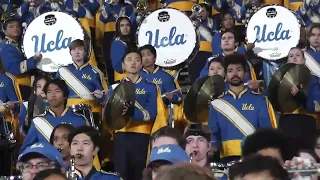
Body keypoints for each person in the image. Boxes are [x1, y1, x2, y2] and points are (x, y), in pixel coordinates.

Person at [107, 49, 166, 180]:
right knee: (121, 174)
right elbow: (108, 114)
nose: (133, 63)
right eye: (129, 60)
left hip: (142, 137)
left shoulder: (151, 87)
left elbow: (152, 114)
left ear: (141, 65)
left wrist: (130, 113)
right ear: (123, 65)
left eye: (137, 60)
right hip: (121, 136)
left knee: (140, 175)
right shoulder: (114, 88)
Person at [208, 53, 277, 162]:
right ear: (225, 76)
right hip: (226, 160)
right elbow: (214, 134)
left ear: (245, 73)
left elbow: (266, 133)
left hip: (254, 158)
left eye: (238, 70)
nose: (234, 74)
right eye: (230, 71)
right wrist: (212, 147)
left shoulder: (260, 100)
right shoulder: (216, 103)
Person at [20, 79, 88, 153]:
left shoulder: (80, 120)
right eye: (49, 92)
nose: (53, 95)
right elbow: (25, 150)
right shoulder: (38, 121)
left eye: (57, 91)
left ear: (65, 96)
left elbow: (87, 149)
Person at [279, 47, 320, 152]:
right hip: (287, 123)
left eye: (298, 55)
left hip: (306, 123)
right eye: (291, 56)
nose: (294, 58)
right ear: (287, 61)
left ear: (304, 60)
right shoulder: (279, 80)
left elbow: (316, 106)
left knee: (307, 160)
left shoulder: (313, 79)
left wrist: (300, 96)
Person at [0, 18, 42, 100]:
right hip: (17, 84)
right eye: (11, 27)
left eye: (17, 26)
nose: (15, 28)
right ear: (4, 31)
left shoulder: (14, 45)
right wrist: (33, 60)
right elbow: (14, 69)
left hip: (22, 82)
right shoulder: (7, 47)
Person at [100, 1, 134, 83]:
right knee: (109, 61)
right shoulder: (107, 6)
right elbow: (102, 18)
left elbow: (131, 21)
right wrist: (108, 7)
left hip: (126, 33)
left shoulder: (128, 6)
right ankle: (112, 83)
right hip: (109, 33)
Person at [188, 3, 216, 83]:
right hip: (195, 53)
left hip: (209, 52)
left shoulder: (212, 22)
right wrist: (191, 19)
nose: (200, 13)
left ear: (207, 12)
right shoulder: (190, 23)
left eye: (203, 11)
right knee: (195, 77)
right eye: (198, 11)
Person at [110, 16, 137, 82]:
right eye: (122, 25)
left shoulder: (132, 41)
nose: (125, 28)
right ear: (118, 28)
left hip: (132, 78)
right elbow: (118, 67)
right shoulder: (118, 43)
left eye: (127, 25)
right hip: (123, 79)